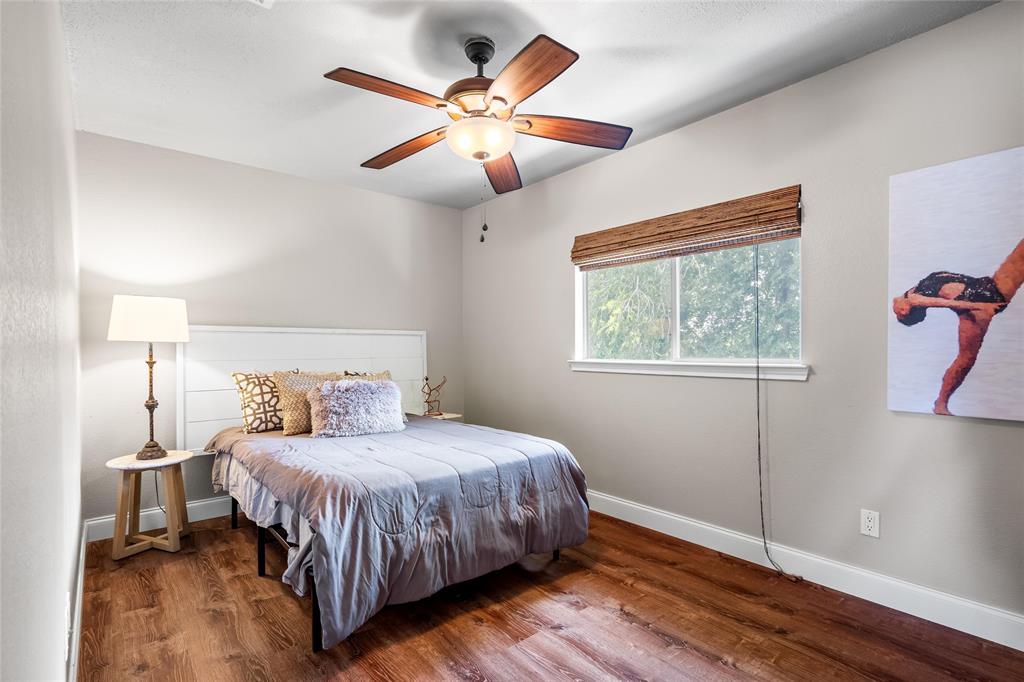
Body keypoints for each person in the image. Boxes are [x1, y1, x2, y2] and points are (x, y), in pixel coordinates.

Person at [892, 238, 1023, 415]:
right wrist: (981, 306)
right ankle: (940, 404)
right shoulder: (915, 299)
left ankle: (940, 404)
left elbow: (898, 300)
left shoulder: (912, 292)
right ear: (910, 312)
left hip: (986, 288)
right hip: (980, 305)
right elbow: (947, 303)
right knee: (966, 359)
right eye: (900, 313)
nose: (898, 309)